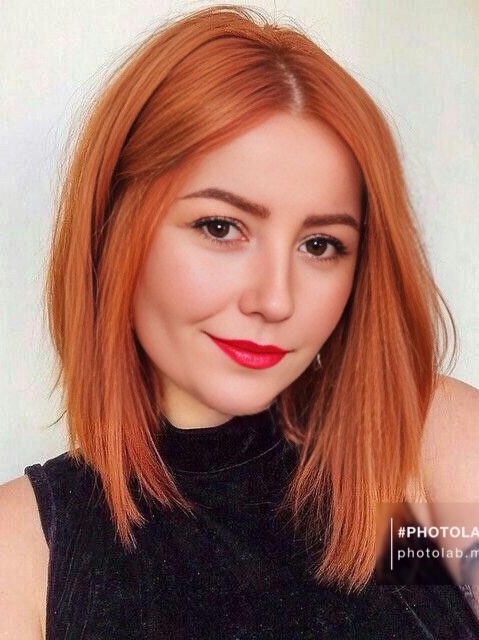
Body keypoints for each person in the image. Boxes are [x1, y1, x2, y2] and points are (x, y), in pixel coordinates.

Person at [1, 5, 478, 639]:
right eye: (221, 227)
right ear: (115, 226)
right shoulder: (28, 553)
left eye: (320, 244)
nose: (275, 300)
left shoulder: (415, 454)